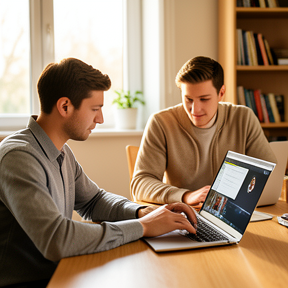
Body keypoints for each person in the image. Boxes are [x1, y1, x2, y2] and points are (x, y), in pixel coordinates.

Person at [0, 58, 197, 287]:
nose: (101, 119)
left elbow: (93, 201)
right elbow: (57, 239)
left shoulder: (61, 152)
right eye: (95, 109)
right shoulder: (18, 157)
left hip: (59, 272)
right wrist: (143, 227)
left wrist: (143, 213)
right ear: (65, 106)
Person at [131, 56, 276, 206]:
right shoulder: (161, 123)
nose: (195, 109)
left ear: (221, 93)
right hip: (185, 214)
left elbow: (269, 175)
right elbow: (140, 184)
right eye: (188, 99)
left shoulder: (243, 118)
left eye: (204, 99)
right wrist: (186, 196)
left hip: (232, 214)